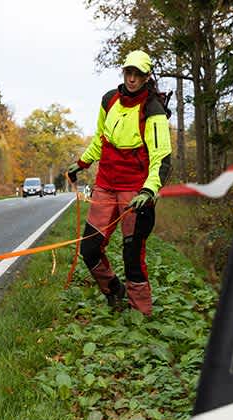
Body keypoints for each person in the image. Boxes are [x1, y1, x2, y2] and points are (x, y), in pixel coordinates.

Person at [67, 50, 172, 316]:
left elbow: (161, 156)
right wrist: (82, 163)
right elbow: (100, 139)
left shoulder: (153, 109)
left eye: (138, 74)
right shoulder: (108, 100)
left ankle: (141, 313)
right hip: (105, 185)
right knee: (89, 248)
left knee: (132, 255)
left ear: (147, 77)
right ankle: (114, 291)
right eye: (128, 72)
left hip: (136, 191)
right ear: (123, 72)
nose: (132, 78)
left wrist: (149, 189)